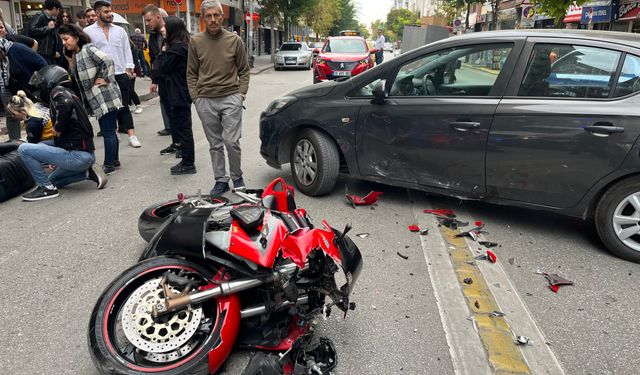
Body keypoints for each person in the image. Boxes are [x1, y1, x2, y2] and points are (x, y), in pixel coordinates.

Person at [187, 0, 249, 195]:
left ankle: (237, 177)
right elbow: (191, 73)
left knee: (232, 142)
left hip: (231, 97)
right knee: (215, 144)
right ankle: (221, 179)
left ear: (222, 17)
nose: (213, 20)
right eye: (209, 16)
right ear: (203, 18)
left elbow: (244, 70)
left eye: (216, 15)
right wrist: (196, 98)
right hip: (205, 100)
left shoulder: (234, 40)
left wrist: (241, 94)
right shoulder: (196, 41)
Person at [18, 65, 107, 201]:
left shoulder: (58, 92)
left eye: (41, 85)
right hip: (84, 154)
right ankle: (88, 173)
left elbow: (65, 104)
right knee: (53, 180)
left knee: (24, 149)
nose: (40, 90)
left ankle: (47, 189)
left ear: (51, 80)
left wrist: (58, 127)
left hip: (78, 156)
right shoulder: (67, 92)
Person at [59, 23, 122, 174]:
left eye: (66, 39)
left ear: (76, 37)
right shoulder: (76, 54)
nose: (64, 42)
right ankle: (114, 160)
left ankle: (109, 165)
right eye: (62, 40)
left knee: (108, 131)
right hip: (96, 98)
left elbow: (108, 60)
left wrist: (105, 78)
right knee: (110, 130)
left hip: (104, 96)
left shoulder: (88, 48)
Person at [85, 1, 141, 148]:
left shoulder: (120, 31)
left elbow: (127, 50)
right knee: (107, 108)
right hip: (101, 76)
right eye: (106, 12)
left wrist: (130, 67)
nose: (110, 14)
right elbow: (87, 55)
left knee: (124, 105)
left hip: (120, 73)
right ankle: (113, 132)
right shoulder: (88, 32)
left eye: (110, 11)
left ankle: (132, 135)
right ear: (97, 14)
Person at [159, 17, 195, 175]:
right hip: (179, 92)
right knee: (183, 128)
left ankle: (188, 163)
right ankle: (186, 160)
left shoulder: (177, 48)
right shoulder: (180, 46)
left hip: (179, 93)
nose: (163, 30)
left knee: (184, 129)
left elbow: (163, 68)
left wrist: (164, 51)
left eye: (165, 27)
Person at [0, 36, 47, 142]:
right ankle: (15, 142)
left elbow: (42, 63)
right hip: (8, 86)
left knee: (33, 111)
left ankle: (38, 137)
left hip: (30, 86)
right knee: (11, 113)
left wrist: (40, 82)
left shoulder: (17, 49)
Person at [143, 4, 173, 139]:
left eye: (149, 20)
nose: (147, 24)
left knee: (178, 110)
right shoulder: (153, 36)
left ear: (159, 17)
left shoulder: (174, 31)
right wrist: (154, 80)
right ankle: (170, 129)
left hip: (175, 78)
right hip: (162, 78)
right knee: (165, 103)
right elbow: (154, 59)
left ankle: (180, 143)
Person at [25, 0, 61, 65]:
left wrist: (54, 51)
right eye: (58, 9)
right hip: (41, 52)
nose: (59, 11)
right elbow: (32, 30)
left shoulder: (52, 18)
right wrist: (47, 28)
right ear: (54, 8)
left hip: (48, 52)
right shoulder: (41, 16)